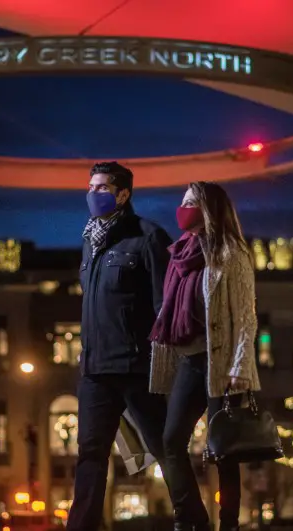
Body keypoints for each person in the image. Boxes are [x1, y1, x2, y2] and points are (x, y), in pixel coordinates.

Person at [69, 161, 183, 531]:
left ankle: (191, 518)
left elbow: (164, 306)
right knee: (90, 455)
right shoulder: (90, 238)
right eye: (91, 187)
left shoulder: (149, 237)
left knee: (165, 448)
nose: (93, 194)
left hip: (137, 368)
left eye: (102, 187)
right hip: (95, 371)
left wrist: (164, 363)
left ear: (123, 194)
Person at [149, 181, 260, 531]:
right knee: (170, 441)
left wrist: (241, 366)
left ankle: (229, 524)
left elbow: (245, 317)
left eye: (191, 202)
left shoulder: (231, 254)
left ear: (210, 209)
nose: (183, 209)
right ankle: (191, 517)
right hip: (190, 360)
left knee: (223, 451)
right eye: (181, 201)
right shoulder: (180, 253)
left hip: (224, 366)